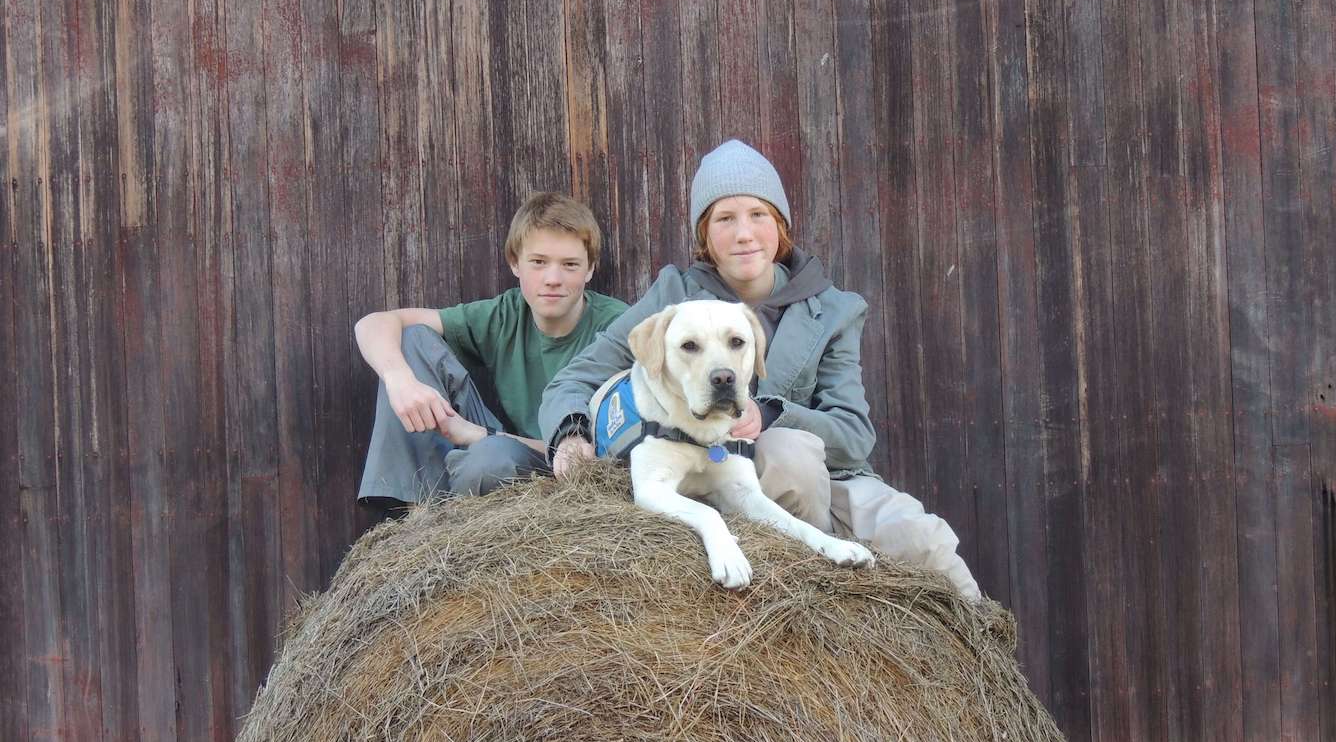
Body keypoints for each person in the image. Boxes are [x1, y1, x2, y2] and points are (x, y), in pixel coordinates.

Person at [539, 140, 981, 600]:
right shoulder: (673, 298)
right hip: (713, 473)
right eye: (724, 219)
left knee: (926, 541)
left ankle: (986, 661)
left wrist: (771, 414)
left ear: (780, 226)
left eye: (758, 215)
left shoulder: (833, 312)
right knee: (788, 460)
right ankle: (815, 598)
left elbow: (853, 436)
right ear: (705, 236)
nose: (743, 233)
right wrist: (571, 433)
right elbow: (576, 377)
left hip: (828, 479)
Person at [356, 191, 628, 507]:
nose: (553, 278)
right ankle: (412, 513)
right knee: (412, 339)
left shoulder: (619, 327)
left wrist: (479, 435)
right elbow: (374, 323)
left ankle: (451, 510)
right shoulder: (505, 314)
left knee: (489, 460)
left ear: (590, 269)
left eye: (570, 265)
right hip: (502, 450)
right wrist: (398, 379)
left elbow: (599, 456)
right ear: (515, 263)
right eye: (538, 262)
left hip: (564, 468)